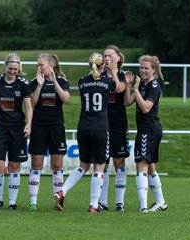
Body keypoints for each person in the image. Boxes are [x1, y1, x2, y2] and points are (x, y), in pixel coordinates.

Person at [53, 52, 121, 214]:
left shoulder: (82, 82)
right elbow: (119, 88)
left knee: (83, 165)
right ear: (102, 65)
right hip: (100, 128)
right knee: (99, 167)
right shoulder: (107, 82)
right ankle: (93, 205)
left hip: (83, 127)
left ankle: (63, 191)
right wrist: (113, 70)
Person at [0, 53, 33, 210]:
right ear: (5, 66)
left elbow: (28, 107)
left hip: (17, 129)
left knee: (14, 166)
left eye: (16, 69)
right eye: (10, 68)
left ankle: (12, 202)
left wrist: (29, 124)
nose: (13, 72)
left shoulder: (23, 83)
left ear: (19, 68)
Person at [124, 55, 168, 212]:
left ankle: (143, 207)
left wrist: (136, 90)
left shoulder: (154, 86)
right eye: (141, 67)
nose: (142, 70)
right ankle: (161, 202)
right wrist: (130, 86)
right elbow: (127, 102)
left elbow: (146, 108)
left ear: (153, 70)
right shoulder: (141, 84)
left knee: (140, 166)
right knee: (150, 168)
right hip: (147, 130)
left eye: (146, 68)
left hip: (149, 130)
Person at [28, 53, 70, 211]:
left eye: (41, 65)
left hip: (56, 127)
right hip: (39, 127)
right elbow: (32, 103)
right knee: (36, 164)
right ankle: (33, 202)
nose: (38, 67)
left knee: (57, 164)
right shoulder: (34, 82)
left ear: (50, 66)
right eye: (37, 64)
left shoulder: (62, 81)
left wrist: (54, 82)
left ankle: (57, 201)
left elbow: (66, 99)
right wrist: (39, 86)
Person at [98, 45, 129, 212]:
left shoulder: (124, 75)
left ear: (117, 57)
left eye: (110, 55)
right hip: (102, 124)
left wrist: (114, 72)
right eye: (105, 56)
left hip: (118, 124)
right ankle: (103, 202)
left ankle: (119, 202)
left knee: (119, 162)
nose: (107, 58)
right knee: (102, 162)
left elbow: (119, 89)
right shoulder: (99, 76)